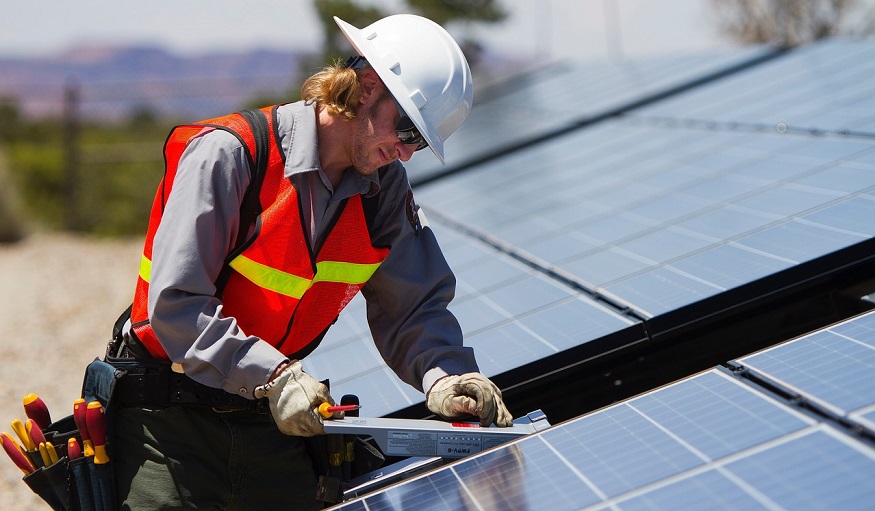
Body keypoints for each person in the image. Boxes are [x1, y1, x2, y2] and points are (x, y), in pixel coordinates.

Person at [107, 13, 513, 511]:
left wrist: (447, 376)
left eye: (419, 143)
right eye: (405, 128)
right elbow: (176, 305)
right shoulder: (231, 155)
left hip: (267, 417)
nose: (405, 154)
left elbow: (413, 306)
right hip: (169, 418)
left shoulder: (381, 190)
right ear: (365, 87)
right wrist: (273, 375)